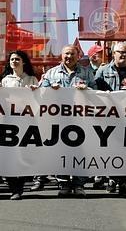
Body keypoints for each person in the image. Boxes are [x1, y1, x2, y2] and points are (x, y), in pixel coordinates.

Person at [40, 44, 96, 197]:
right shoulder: (51, 73)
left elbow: (96, 92)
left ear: (77, 56)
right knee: (60, 150)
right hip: (59, 119)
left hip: (81, 119)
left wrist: (87, 90)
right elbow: (41, 93)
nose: (69, 57)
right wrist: (51, 90)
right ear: (61, 56)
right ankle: (63, 183)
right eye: (66, 54)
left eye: (72, 54)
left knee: (81, 150)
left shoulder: (86, 72)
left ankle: (79, 184)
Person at [95, 42, 126, 197]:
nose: (124, 55)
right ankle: (111, 178)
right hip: (108, 118)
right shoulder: (103, 71)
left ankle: (124, 181)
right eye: (120, 52)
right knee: (110, 149)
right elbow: (94, 92)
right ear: (113, 53)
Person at [0, 51, 38, 200]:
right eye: (12, 59)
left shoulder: (32, 79)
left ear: (24, 62)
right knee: (10, 155)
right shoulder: (5, 80)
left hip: (27, 122)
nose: (14, 61)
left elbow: (40, 99)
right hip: (10, 122)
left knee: (23, 154)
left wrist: (37, 92)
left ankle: (20, 187)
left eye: (17, 59)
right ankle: (13, 188)